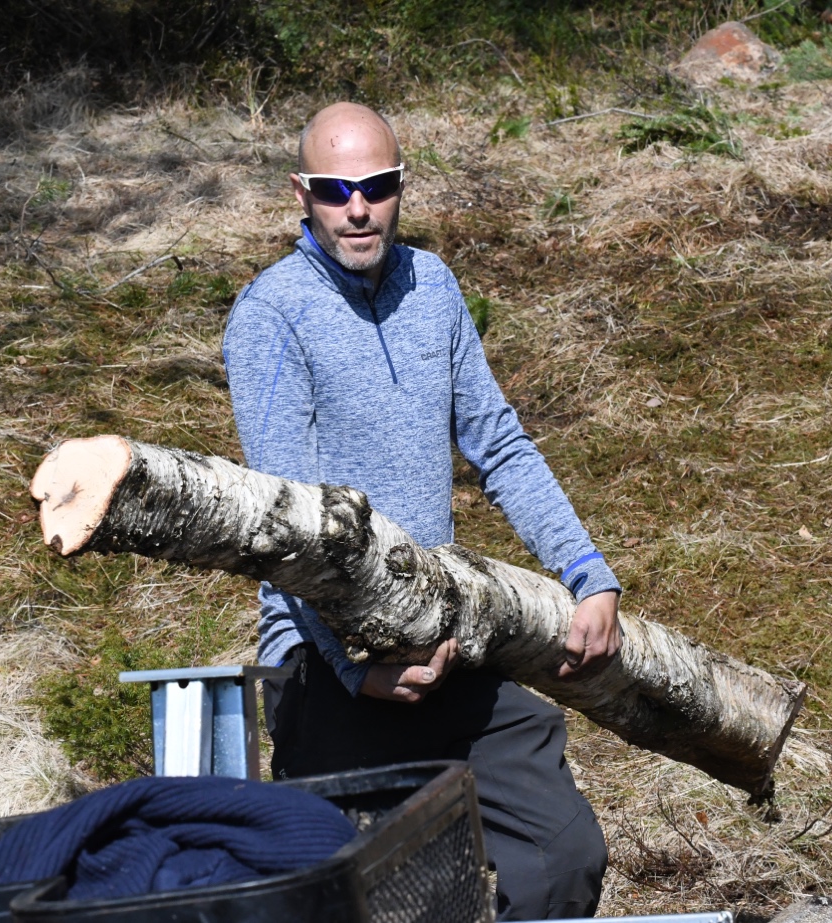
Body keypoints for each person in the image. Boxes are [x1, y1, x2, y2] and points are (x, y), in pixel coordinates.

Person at [222, 102, 622, 920]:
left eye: (376, 186)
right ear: (301, 193)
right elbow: (284, 524)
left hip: (447, 634)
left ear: (402, 186)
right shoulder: (270, 316)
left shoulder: (432, 285)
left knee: (564, 857)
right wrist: (350, 667)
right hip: (327, 664)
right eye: (336, 190)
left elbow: (501, 446)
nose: (357, 208)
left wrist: (589, 575)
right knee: (388, 899)